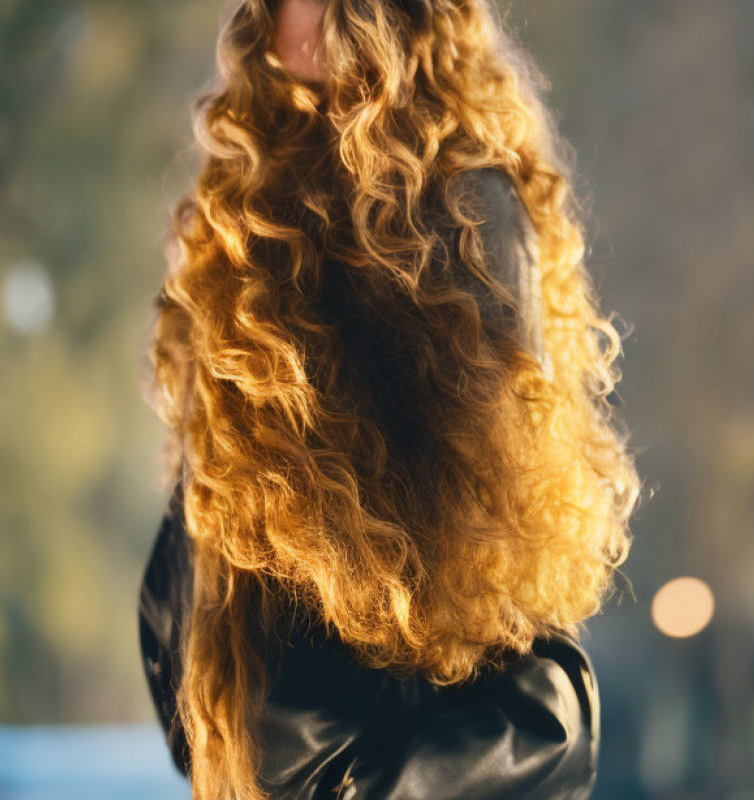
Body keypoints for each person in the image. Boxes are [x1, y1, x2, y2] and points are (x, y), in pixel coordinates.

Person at [138, 1, 642, 798]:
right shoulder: (240, 219)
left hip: (397, 734)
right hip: (294, 732)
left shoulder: (465, 206)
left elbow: (501, 533)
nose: (286, 23)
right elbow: (194, 570)